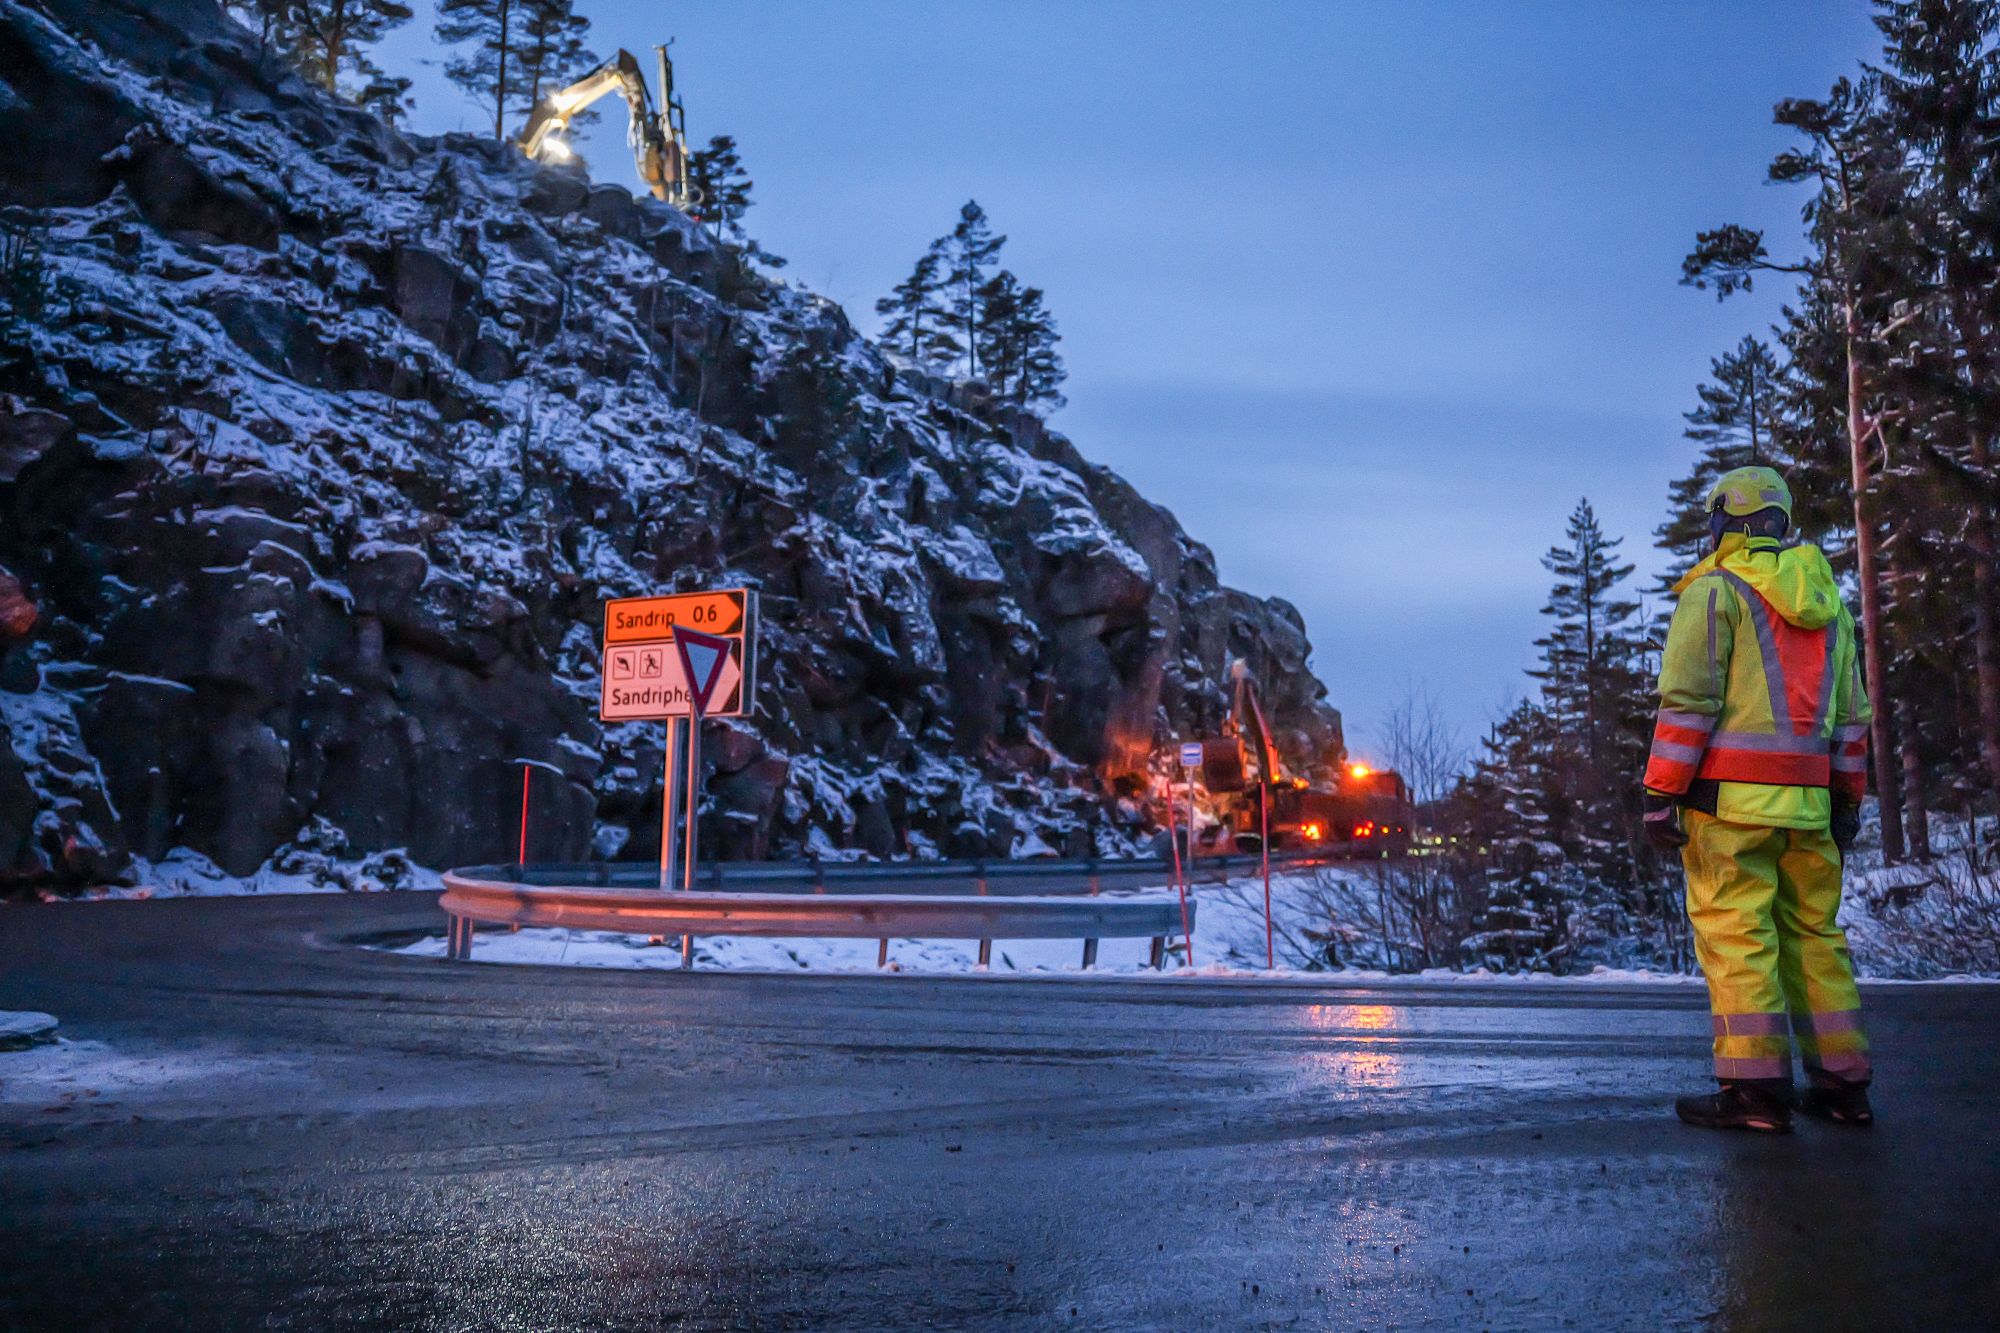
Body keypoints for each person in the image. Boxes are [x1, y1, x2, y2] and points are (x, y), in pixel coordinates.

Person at [1641, 466, 1874, 1133]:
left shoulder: (1714, 593)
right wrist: (1846, 801)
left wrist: (1661, 793)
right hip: (1808, 809)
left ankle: (1755, 1091)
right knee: (1815, 937)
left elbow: (1688, 704)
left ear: (1722, 521)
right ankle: (1842, 1086)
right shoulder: (1830, 606)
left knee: (1740, 938)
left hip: (1730, 808)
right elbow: (1852, 720)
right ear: (1780, 524)